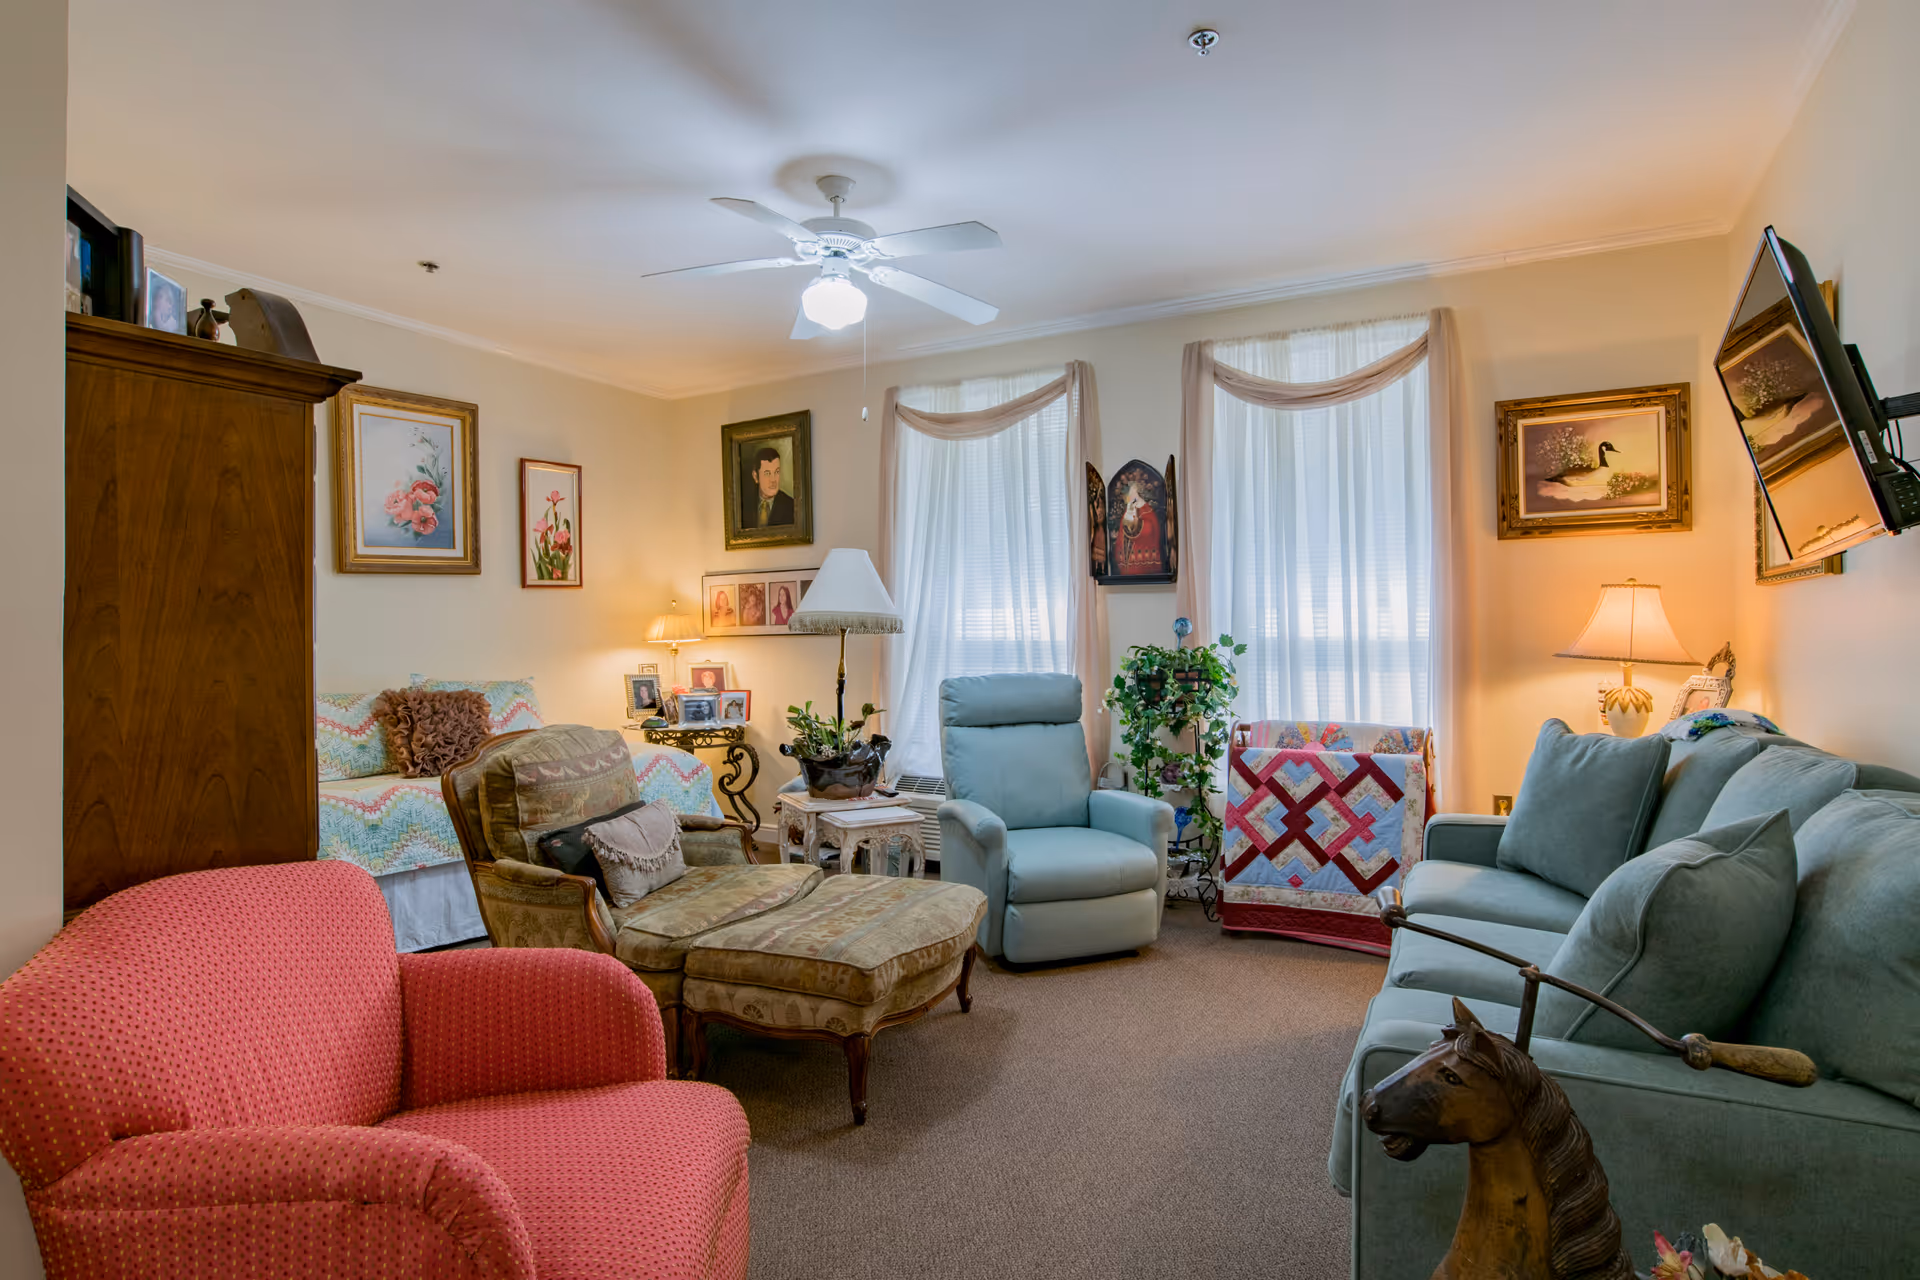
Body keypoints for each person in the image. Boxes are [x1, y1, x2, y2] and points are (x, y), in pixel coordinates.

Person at [1114, 481, 1164, 575]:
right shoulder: (1130, 509)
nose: (1130, 496)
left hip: (1143, 562)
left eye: (1133, 493)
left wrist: (1132, 518)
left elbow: (1145, 531)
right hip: (1129, 563)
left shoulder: (1148, 512)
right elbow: (1123, 532)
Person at [739, 446, 795, 528]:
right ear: (755, 476)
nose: (773, 480)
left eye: (777, 472)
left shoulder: (791, 506)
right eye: (767, 473)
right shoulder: (743, 505)